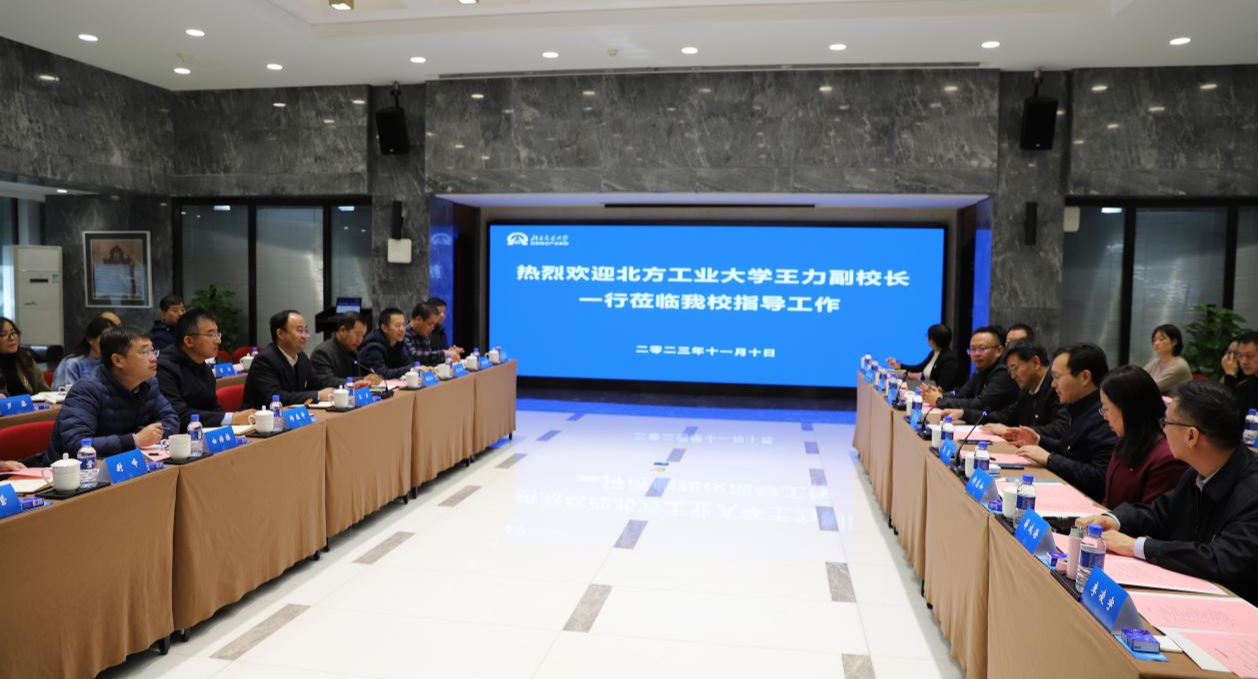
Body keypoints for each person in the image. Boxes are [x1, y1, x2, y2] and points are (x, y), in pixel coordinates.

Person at [1077, 381, 1258, 605]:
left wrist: (1136, 547)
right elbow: (1159, 512)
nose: (1163, 430)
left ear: (1191, 436)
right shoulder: (1196, 472)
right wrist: (1114, 520)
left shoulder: (1251, 492)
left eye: (1167, 423)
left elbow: (1221, 559)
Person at [46, 326, 179, 461]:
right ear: (117, 360)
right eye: (145, 352)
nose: (153, 358)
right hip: (75, 471)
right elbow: (77, 445)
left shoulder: (149, 383)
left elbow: (171, 419)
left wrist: (149, 435)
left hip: (127, 462)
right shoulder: (87, 390)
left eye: (153, 351)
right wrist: (135, 440)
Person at [1008, 343, 1118, 502]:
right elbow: (1070, 450)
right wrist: (1039, 441)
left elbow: (1100, 478)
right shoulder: (1078, 406)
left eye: (1057, 377)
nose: (1053, 384)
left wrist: (1050, 459)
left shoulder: (1104, 415)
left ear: (1085, 377)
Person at [1097, 365, 1189, 507]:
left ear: (1128, 409)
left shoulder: (1168, 458)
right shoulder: (1126, 439)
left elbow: (1148, 515)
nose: (1105, 416)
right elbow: (1109, 499)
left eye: (1106, 408)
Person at [939, 341, 1069, 440]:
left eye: (1015, 368)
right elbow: (1005, 416)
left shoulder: (1057, 388)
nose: (1013, 376)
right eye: (1010, 371)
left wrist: (1013, 432)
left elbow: (1059, 428)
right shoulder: (1026, 390)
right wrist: (964, 413)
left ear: (1035, 363)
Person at [156, 307, 257, 432]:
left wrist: (232, 422)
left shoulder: (204, 367)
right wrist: (233, 418)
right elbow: (179, 416)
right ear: (189, 341)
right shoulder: (164, 368)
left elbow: (214, 408)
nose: (218, 341)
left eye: (217, 334)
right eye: (211, 335)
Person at [241, 310, 336, 409]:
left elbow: (315, 384)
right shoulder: (264, 360)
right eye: (300, 331)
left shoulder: (301, 357)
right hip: (258, 416)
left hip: (292, 414)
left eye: (306, 331)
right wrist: (318, 395)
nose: (304, 336)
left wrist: (338, 390)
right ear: (280, 333)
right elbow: (276, 397)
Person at [923, 326, 1018, 412]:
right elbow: (961, 393)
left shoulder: (1004, 373)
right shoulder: (980, 370)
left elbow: (979, 403)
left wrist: (939, 400)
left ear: (999, 351)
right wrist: (940, 395)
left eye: (982, 349)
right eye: (972, 349)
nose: (976, 354)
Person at [311, 312, 381, 386]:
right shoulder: (322, 353)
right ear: (342, 330)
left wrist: (372, 379)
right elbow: (327, 382)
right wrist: (362, 380)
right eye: (357, 334)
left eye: (362, 336)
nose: (360, 340)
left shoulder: (352, 351)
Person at [887, 323, 962, 391]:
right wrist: (899, 365)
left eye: (928, 336)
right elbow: (920, 367)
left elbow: (941, 386)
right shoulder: (934, 352)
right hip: (924, 390)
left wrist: (912, 385)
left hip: (935, 396)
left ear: (932, 340)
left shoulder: (950, 359)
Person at [51, 315, 118, 390]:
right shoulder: (72, 364)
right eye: (104, 338)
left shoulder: (110, 362)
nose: (108, 343)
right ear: (90, 340)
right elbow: (64, 393)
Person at [357, 307, 411, 379]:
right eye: (397, 325)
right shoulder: (373, 345)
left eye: (404, 325)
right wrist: (412, 369)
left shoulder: (399, 342)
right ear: (384, 328)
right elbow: (381, 374)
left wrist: (414, 368)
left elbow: (408, 363)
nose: (402, 329)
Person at [0, 316, 49, 396]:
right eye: (4, 334)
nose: (12, 338)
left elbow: (44, 391)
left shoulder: (25, 358)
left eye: (13, 332)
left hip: (33, 403)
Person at [404, 302, 462, 367]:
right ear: (418, 319)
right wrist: (443, 353)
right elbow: (413, 355)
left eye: (434, 324)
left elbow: (429, 359)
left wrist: (448, 354)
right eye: (430, 324)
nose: (433, 328)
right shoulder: (404, 333)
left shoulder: (424, 333)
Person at [1144, 324, 1193, 395]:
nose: (1156, 343)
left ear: (1174, 342)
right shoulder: (1156, 362)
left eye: (1161, 339)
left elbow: (1152, 388)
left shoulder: (1179, 366)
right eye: (1154, 340)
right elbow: (1137, 376)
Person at [1223, 331, 1258, 416]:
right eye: (1240, 356)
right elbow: (1230, 411)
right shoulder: (1246, 385)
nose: (1243, 361)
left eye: (1249, 356)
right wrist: (1230, 375)